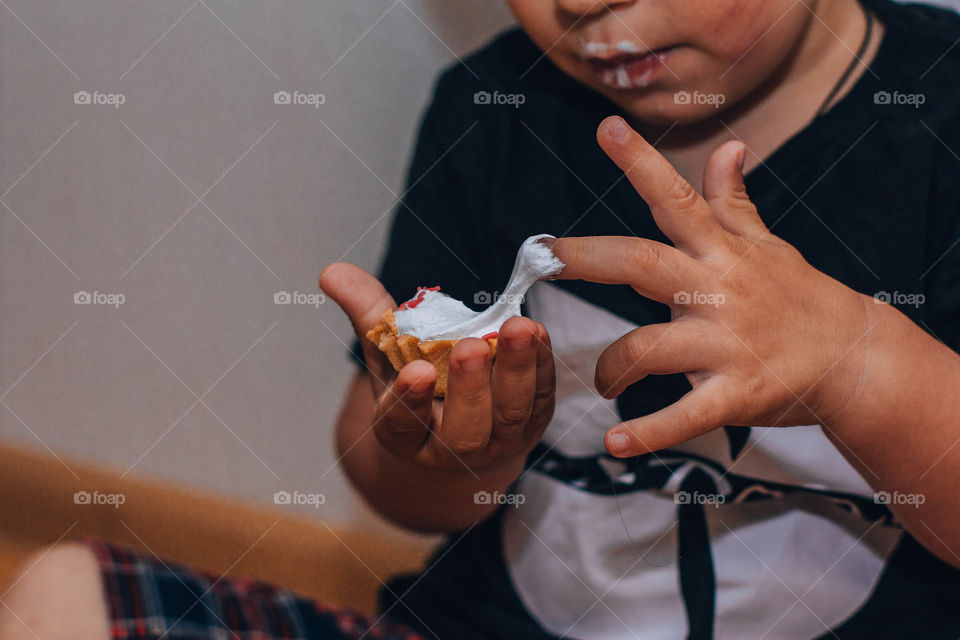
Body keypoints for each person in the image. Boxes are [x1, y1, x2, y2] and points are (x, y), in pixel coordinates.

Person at [3, 0, 960, 638]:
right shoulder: (498, 110)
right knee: (60, 597)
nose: (580, 2)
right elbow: (393, 484)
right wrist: (454, 451)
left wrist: (858, 361)